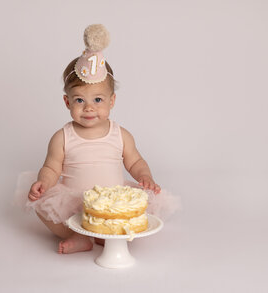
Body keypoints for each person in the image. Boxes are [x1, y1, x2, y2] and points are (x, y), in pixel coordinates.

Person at [17, 24, 179, 254]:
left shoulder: (120, 134)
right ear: (67, 102)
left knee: (136, 213)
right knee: (42, 207)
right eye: (80, 101)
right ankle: (79, 236)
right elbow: (52, 167)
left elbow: (134, 161)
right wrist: (44, 182)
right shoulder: (62, 137)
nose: (89, 108)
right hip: (75, 202)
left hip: (111, 201)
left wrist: (145, 176)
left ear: (112, 101)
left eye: (98, 100)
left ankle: (107, 234)